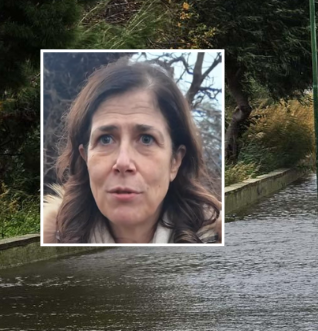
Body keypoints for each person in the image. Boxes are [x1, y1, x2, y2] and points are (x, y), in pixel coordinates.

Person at [43, 60, 221, 244]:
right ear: (85, 157)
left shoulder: (219, 242)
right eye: (105, 139)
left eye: (146, 139)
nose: (123, 162)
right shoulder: (49, 242)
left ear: (175, 161)